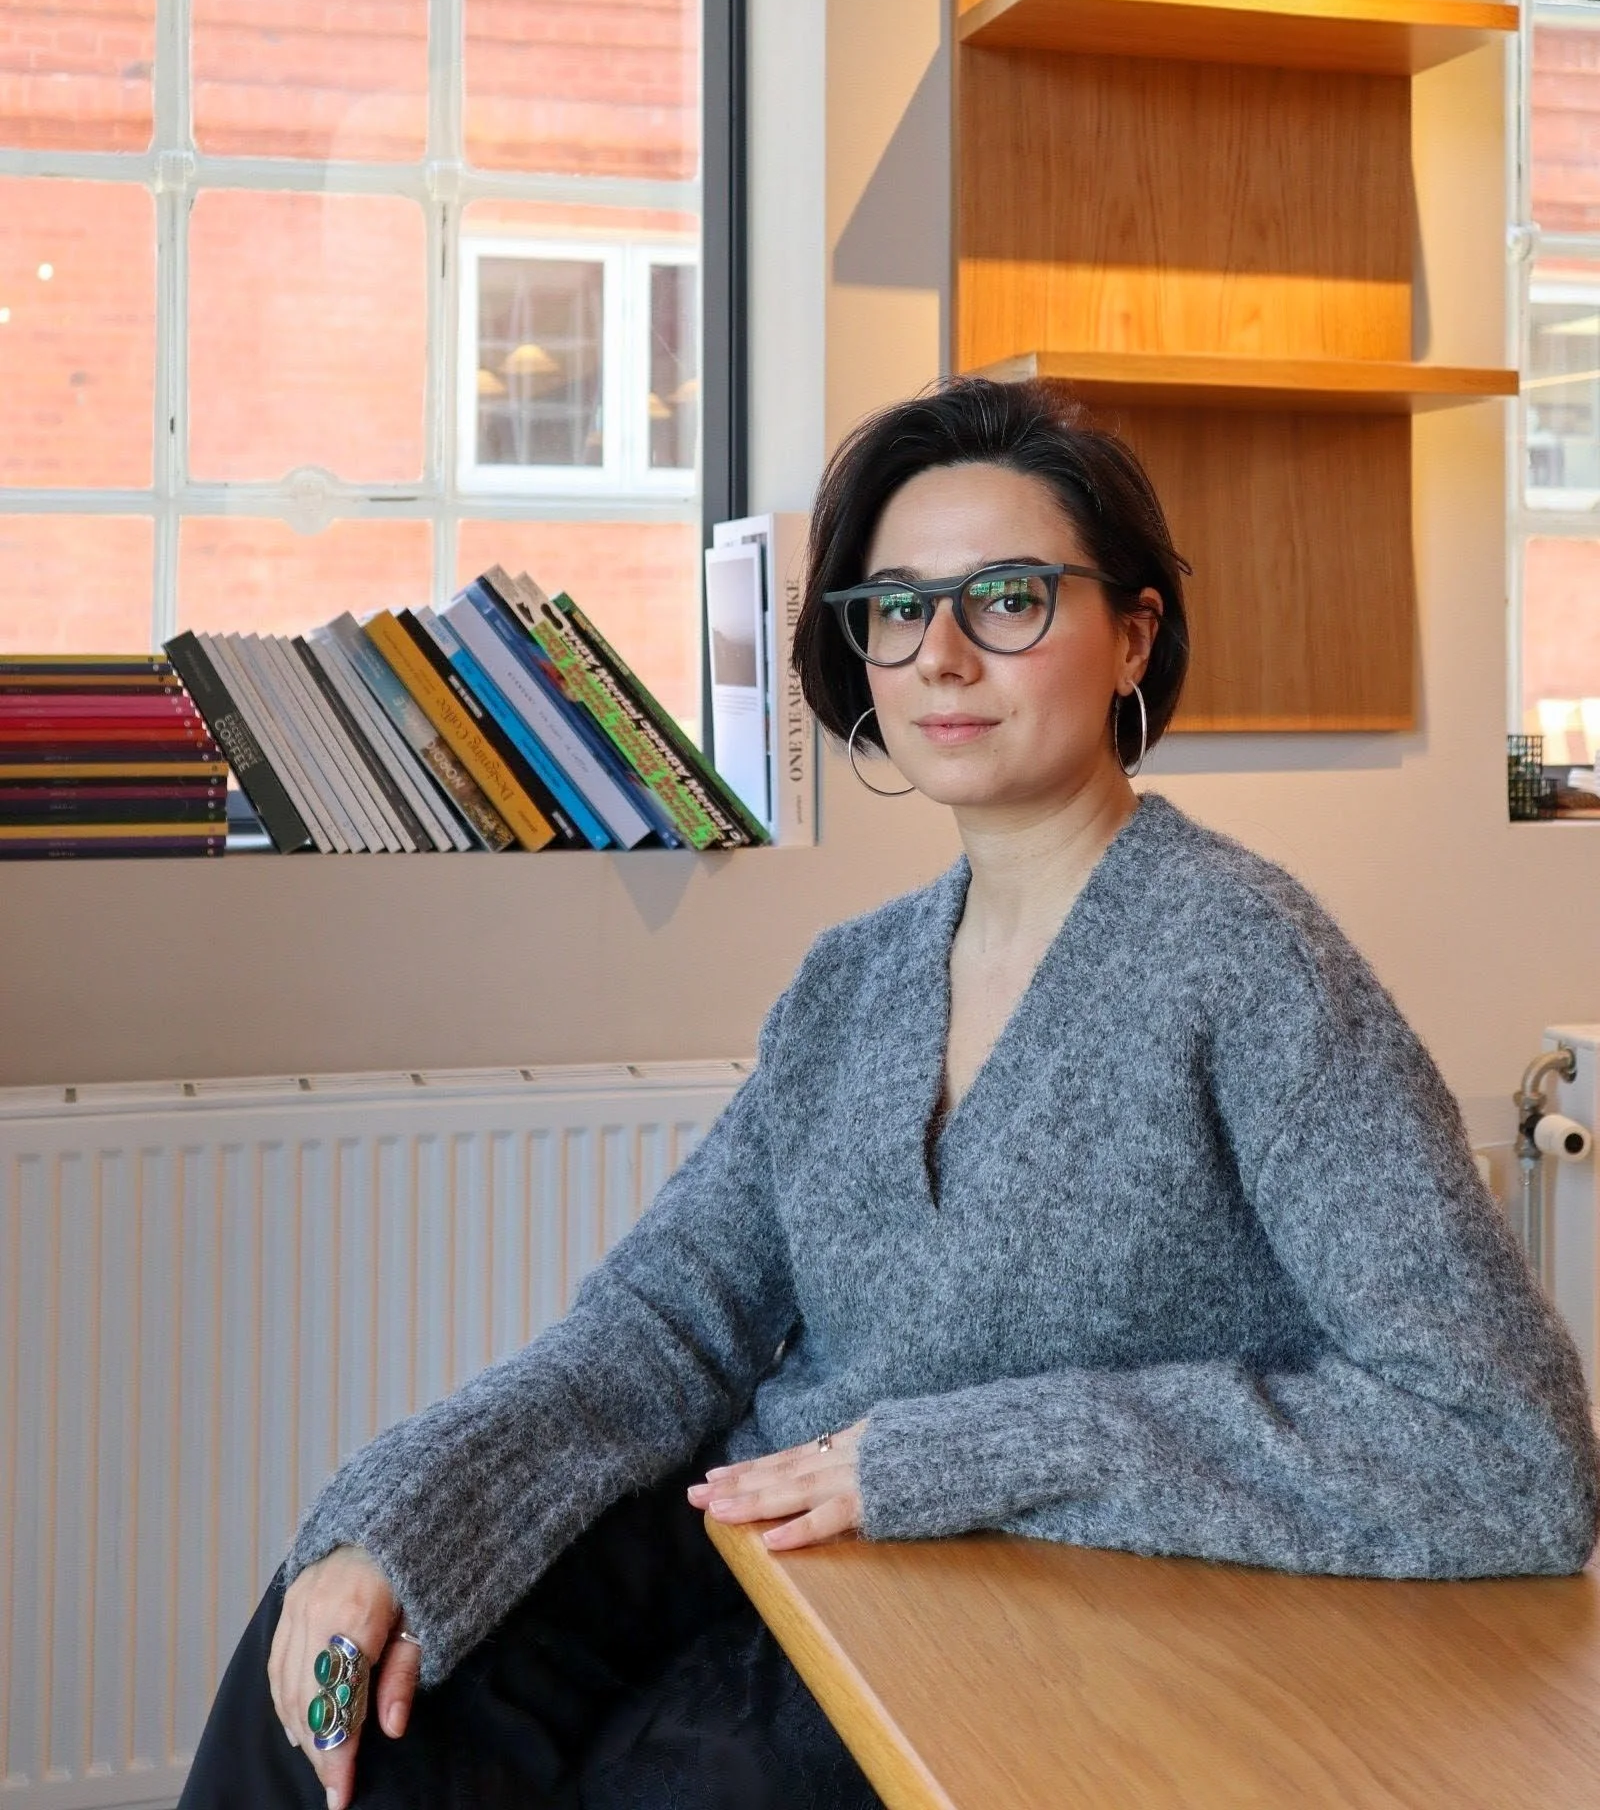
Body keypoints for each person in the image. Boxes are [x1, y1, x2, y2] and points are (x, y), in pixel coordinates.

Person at [180, 376, 1599, 1810]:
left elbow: (1511, 1457)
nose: (942, 658)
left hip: (1031, 1610)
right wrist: (397, 1524)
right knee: (341, 1662)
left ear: (1134, 636)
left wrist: (955, 1456)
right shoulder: (848, 982)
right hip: (756, 1552)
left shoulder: (1250, 961)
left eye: (1010, 598)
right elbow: (659, 1327)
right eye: (897, 608)